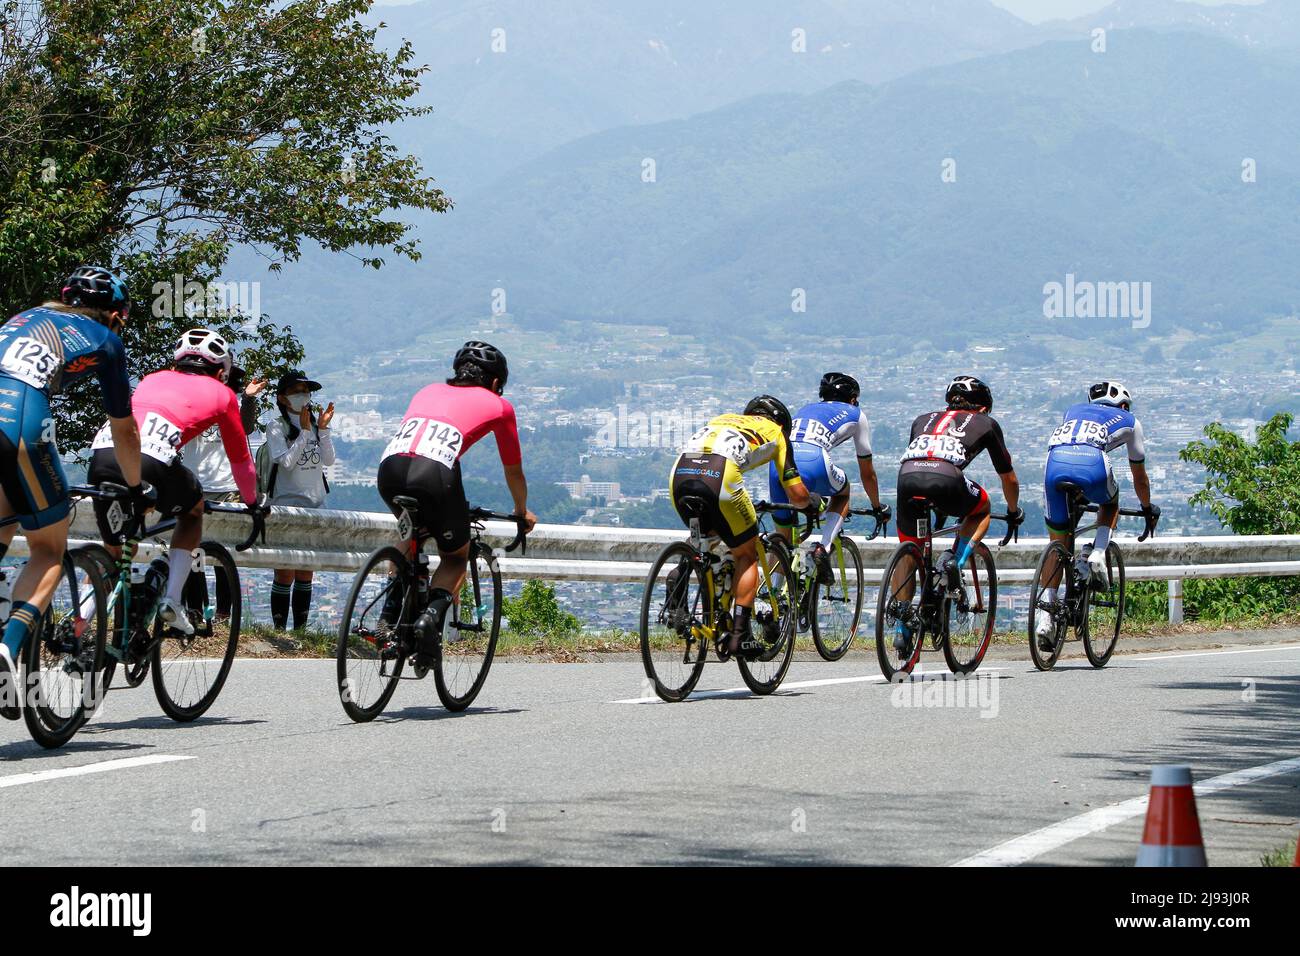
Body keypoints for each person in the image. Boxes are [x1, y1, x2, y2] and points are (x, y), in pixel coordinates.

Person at [0, 266, 144, 718]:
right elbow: (124, 430)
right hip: (18, 418)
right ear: (114, 313)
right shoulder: (106, 340)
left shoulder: (20, 318)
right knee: (47, 548)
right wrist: (135, 488)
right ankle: (8, 647)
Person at [87, 328, 261, 636]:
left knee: (112, 549)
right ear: (221, 370)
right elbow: (240, 460)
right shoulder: (222, 393)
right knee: (192, 510)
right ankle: (172, 600)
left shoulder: (152, 378)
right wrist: (252, 503)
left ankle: (81, 619)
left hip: (103, 453)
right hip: (150, 459)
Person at [377, 341, 536, 665]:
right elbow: (514, 471)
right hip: (434, 475)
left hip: (389, 469)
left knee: (411, 535)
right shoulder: (498, 405)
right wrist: (521, 511)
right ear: (494, 383)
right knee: (454, 558)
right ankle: (429, 619)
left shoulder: (427, 390)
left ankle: (387, 618)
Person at [670, 395, 818, 657]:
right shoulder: (777, 434)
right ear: (781, 423)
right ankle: (740, 635)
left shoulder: (723, 419)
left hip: (680, 475)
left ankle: (680, 579)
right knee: (747, 554)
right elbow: (796, 494)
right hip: (721, 477)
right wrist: (810, 504)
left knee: (707, 540)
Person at [893, 375, 1024, 653]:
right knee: (983, 507)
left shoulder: (922, 419)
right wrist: (1013, 512)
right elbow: (1008, 478)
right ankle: (955, 562)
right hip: (947, 478)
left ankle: (901, 624)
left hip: (906, 478)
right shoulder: (986, 423)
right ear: (984, 408)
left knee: (910, 549)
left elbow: (923, 461)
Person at [1035, 381, 1158, 649]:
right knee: (1111, 501)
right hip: (1092, 463)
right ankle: (1099, 553)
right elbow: (1140, 477)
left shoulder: (1072, 410)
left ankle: (1045, 617)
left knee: (1057, 544)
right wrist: (1147, 508)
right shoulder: (1130, 420)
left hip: (1054, 465)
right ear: (1123, 405)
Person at [768, 372, 888, 582]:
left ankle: (772, 599)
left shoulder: (805, 408)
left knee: (783, 538)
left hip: (779, 464)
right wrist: (877, 507)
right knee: (843, 493)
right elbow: (867, 473)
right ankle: (823, 547)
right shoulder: (855, 413)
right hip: (814, 458)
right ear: (853, 399)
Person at [180, 365, 264, 618]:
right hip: (197, 485)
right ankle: (195, 609)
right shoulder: (192, 401)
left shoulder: (234, 404)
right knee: (195, 553)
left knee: (223, 553)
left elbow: (246, 427)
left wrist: (248, 399)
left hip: (228, 487)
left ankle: (224, 613)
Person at [262, 371, 334, 630]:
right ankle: (280, 629)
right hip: (286, 505)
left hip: (315, 504)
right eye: (296, 391)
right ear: (282, 398)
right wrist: (304, 433)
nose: (302, 396)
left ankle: (301, 630)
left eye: (306, 390)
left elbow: (328, 460)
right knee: (284, 571)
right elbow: (287, 462)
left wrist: (321, 430)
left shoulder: (315, 425)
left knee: (306, 570)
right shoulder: (276, 426)